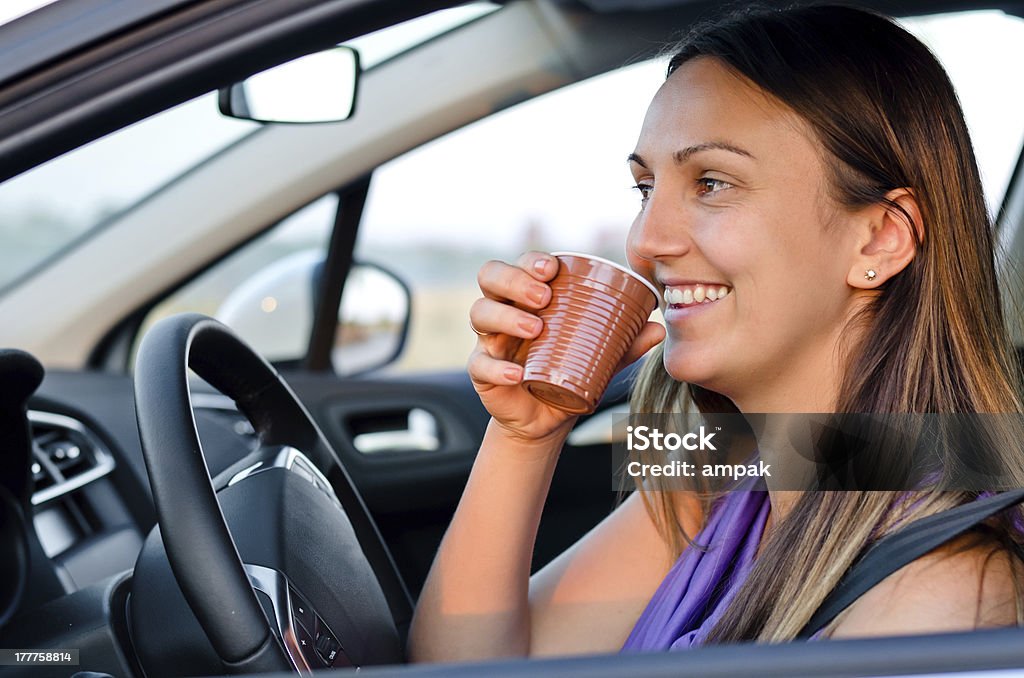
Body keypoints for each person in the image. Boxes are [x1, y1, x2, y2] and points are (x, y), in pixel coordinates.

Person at [407, 3, 1024, 662]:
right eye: (645, 188)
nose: (645, 240)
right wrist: (524, 438)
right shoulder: (724, 476)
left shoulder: (949, 591)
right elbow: (463, 669)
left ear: (880, 236)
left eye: (711, 182)